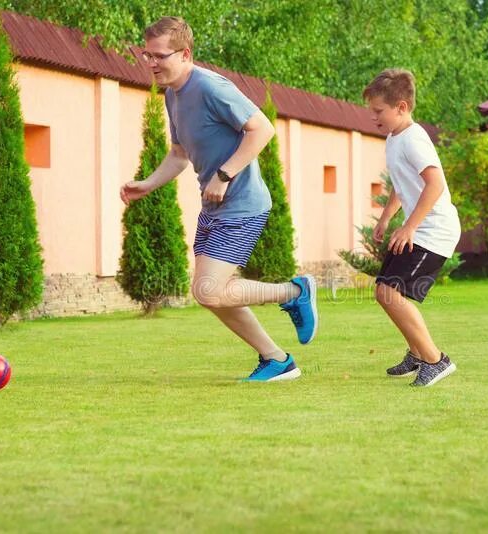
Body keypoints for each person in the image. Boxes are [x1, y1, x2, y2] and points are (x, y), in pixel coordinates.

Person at [120, 17, 317, 382]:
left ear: (185, 53)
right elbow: (179, 154)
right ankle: (276, 360)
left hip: (242, 203)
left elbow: (262, 128)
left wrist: (225, 174)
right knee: (213, 293)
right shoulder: (172, 96)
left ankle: (295, 292)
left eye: (159, 55)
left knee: (209, 290)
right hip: (213, 207)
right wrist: (148, 184)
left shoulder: (211, 87)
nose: (151, 63)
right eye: (147, 54)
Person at [363, 69, 461, 387]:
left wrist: (410, 226)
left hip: (435, 230)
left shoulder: (414, 139)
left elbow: (435, 183)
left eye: (379, 111)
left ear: (402, 107)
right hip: (420, 228)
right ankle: (418, 354)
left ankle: (435, 360)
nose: (374, 117)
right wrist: (387, 217)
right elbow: (401, 184)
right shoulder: (395, 138)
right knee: (386, 291)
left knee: (390, 292)